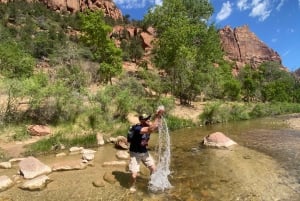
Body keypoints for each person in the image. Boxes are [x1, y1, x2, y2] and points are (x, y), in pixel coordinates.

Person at [128, 107, 165, 193]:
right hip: (135, 153)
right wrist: (157, 116)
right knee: (134, 175)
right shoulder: (137, 129)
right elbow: (151, 129)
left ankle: (151, 182)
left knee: (153, 168)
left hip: (144, 152)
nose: (148, 120)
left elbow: (158, 126)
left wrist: (159, 115)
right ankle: (132, 185)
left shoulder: (148, 124)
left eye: (148, 118)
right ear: (141, 121)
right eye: (146, 119)